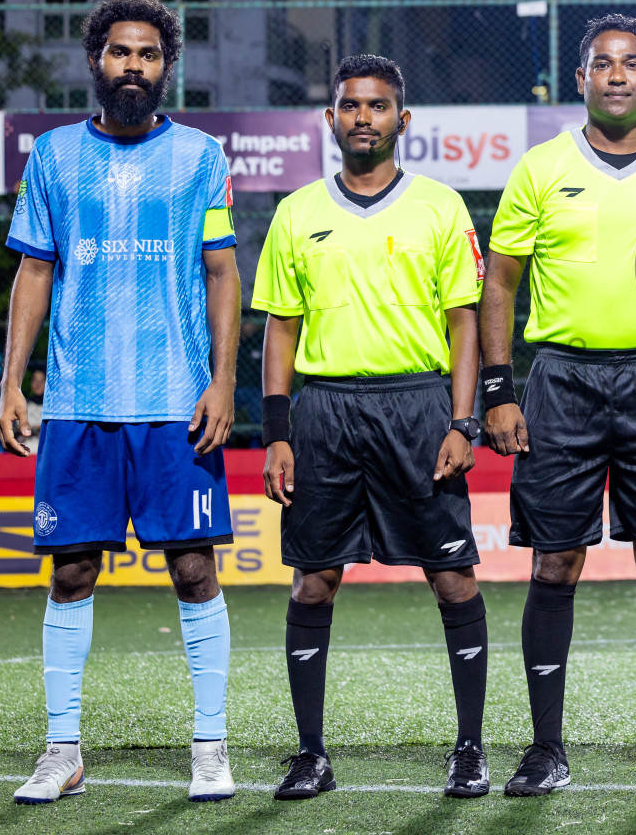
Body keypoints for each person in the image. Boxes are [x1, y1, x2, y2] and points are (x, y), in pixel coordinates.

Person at [481, 14, 636, 795]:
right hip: (561, 381)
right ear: (582, 80)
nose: (617, 75)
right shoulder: (540, 168)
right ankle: (545, 747)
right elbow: (499, 283)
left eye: (632, 64)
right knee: (555, 561)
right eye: (603, 64)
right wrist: (498, 387)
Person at [0, 0, 240, 804]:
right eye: (118, 52)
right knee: (70, 572)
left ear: (167, 66)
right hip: (78, 399)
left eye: (147, 54)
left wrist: (223, 379)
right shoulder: (54, 157)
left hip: (176, 401)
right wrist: (12, 382)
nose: (133, 65)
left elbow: (220, 272)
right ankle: (62, 750)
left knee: (196, 569)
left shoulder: (202, 156)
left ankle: (211, 745)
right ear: (96, 61)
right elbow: (34, 270)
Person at [254, 55, 489, 800]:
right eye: (351, 106)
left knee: (452, 576)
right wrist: (277, 431)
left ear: (402, 120)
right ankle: (311, 753)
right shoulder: (297, 212)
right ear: (331, 119)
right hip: (324, 412)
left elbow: (464, 324)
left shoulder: (441, 208)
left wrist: (464, 420)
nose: (364, 117)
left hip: (418, 411)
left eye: (379, 106)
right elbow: (280, 331)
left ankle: (471, 747)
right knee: (314, 579)